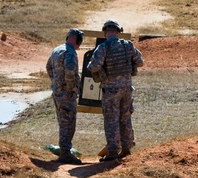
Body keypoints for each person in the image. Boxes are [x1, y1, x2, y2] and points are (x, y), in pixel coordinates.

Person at [87, 19, 143, 163]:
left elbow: (94, 66)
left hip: (111, 91)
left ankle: (113, 151)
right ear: (118, 32)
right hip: (127, 89)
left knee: (111, 120)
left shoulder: (103, 47)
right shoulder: (128, 45)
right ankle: (126, 148)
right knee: (125, 117)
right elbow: (140, 62)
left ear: (105, 31)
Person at [45, 28, 84, 165]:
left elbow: (49, 67)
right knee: (68, 123)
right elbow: (69, 71)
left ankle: (64, 150)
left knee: (63, 122)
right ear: (78, 40)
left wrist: (56, 82)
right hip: (66, 94)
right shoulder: (70, 52)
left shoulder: (57, 50)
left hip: (57, 92)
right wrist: (70, 87)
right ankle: (65, 153)